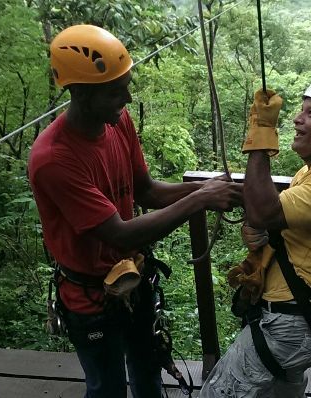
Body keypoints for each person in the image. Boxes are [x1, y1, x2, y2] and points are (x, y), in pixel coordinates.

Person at [28, 24, 243, 398]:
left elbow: (147, 191)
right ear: (79, 92)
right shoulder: (54, 159)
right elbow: (119, 232)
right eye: (115, 91)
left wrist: (207, 189)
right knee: (107, 388)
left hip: (134, 278)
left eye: (126, 85)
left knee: (147, 374)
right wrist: (200, 199)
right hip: (91, 297)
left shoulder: (117, 121)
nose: (127, 98)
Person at [199, 76, 311, 397]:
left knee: (218, 393)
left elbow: (264, 212)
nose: (297, 118)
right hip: (299, 315)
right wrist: (261, 232)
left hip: (291, 321)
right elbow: (274, 221)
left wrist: (262, 134)